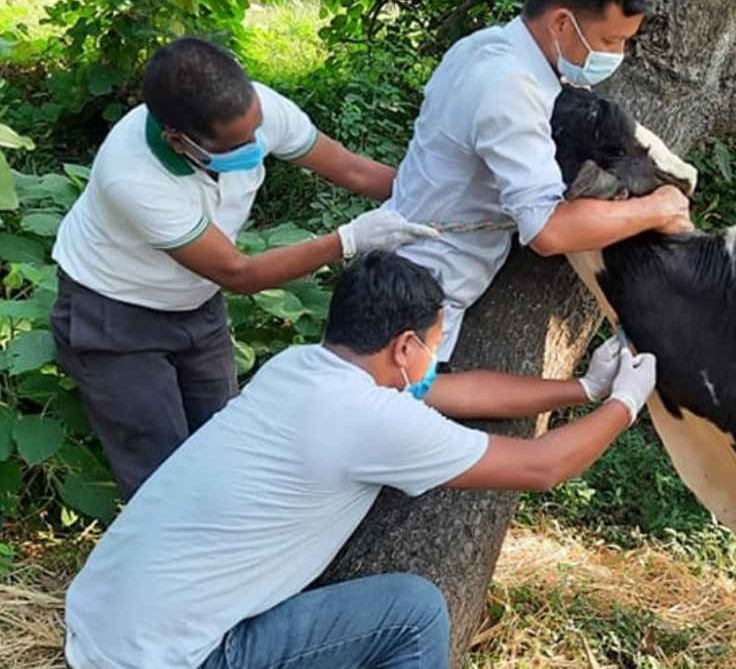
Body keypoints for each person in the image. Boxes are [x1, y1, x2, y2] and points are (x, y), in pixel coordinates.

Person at [63, 251, 657, 669]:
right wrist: (629, 404)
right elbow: (541, 467)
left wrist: (585, 390)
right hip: (169, 659)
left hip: (97, 624)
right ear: (404, 346)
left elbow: (462, 391)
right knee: (415, 612)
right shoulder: (374, 420)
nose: (433, 361)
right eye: (433, 344)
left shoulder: (298, 368)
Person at [50, 38, 437, 499]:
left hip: (196, 304)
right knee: (160, 473)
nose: (256, 144)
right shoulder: (132, 175)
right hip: (116, 317)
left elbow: (351, 170)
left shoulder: (254, 109)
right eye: (238, 143)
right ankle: (173, 563)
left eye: (257, 130)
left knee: (223, 441)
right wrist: (348, 239)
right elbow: (239, 273)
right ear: (179, 139)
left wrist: (433, 199)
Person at [385, 0, 693, 364]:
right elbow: (547, 231)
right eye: (610, 41)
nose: (618, 54)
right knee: (395, 410)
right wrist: (657, 209)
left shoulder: (482, 48)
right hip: (422, 294)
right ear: (562, 23)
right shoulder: (509, 88)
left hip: (405, 260)